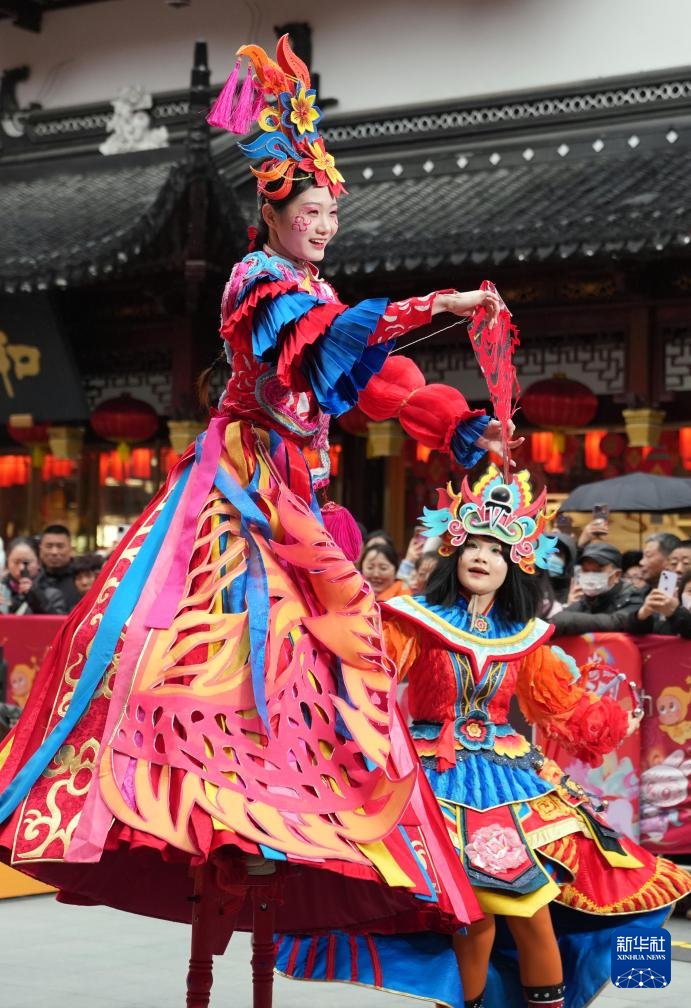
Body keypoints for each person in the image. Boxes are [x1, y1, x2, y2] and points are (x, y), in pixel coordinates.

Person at [0, 35, 522, 960]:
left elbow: (369, 379)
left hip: (296, 489)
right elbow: (325, 343)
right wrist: (436, 304)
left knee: (327, 637)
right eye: (311, 211)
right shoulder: (259, 281)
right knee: (215, 635)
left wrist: (456, 425)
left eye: (332, 213)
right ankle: (197, 798)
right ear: (273, 213)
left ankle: (288, 802)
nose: (324, 225)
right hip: (243, 485)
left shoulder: (313, 283)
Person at [278, 465, 691, 1007]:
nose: (482, 556)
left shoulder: (524, 637)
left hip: (510, 779)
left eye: (496, 550)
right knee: (471, 920)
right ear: (453, 552)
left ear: (514, 564)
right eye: (472, 544)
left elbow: (559, 704)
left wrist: (613, 720)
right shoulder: (414, 620)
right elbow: (365, 668)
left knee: (534, 914)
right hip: (434, 777)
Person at [549, 542, 645, 637]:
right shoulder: (582, 602)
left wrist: (570, 620)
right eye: (585, 570)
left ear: (616, 575)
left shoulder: (632, 598)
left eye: (598, 571)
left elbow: (620, 621)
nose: (590, 576)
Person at [0, 537, 66, 616]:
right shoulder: (2, 591)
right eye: (16, 562)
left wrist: (37, 598)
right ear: (7, 563)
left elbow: (58, 622)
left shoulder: (52, 595)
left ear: (38, 563)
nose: (21, 568)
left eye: (26, 562)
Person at [27, 523, 80, 614]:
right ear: (41, 548)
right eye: (49, 546)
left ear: (70, 548)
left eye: (60, 546)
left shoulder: (80, 577)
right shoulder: (32, 579)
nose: (54, 552)